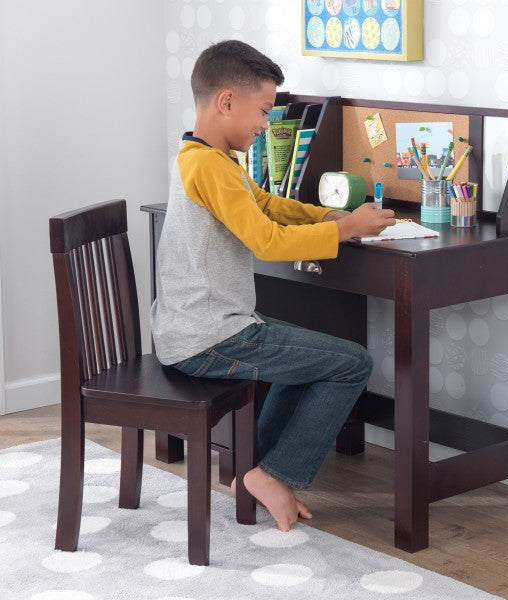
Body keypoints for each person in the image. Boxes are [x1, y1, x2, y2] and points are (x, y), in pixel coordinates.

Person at [150, 40, 396, 532]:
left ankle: (254, 472)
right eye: (263, 111)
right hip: (210, 337)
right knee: (352, 363)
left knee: (310, 360)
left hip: (197, 328)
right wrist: (346, 231)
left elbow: (263, 204)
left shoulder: (204, 156)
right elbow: (265, 240)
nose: (266, 124)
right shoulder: (208, 166)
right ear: (226, 101)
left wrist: (329, 215)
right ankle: (273, 474)